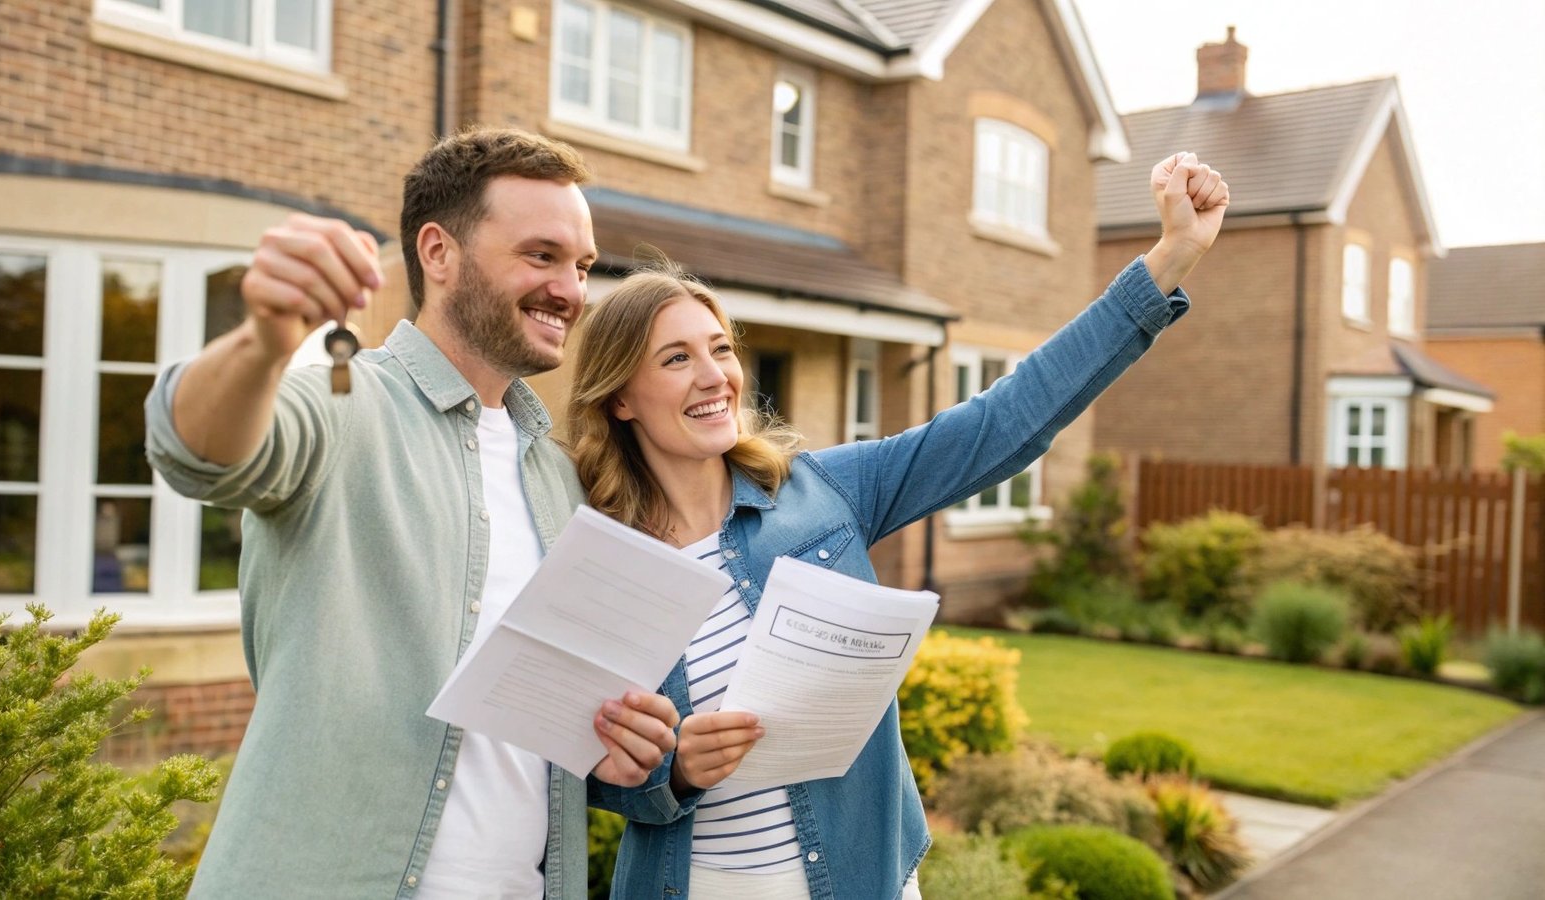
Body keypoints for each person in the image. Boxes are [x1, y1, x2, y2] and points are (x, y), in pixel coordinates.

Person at [568, 152, 1230, 899]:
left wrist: (1171, 256)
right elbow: (576, 763)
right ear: (620, 397)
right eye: (676, 359)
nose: (714, 375)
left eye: (720, 349)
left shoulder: (824, 492)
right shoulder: (599, 561)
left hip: (863, 880)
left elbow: (1008, 419)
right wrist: (673, 770)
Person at [144, 127, 683, 898]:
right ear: (439, 253)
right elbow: (198, 450)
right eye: (541, 256)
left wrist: (616, 748)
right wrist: (265, 340)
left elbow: (532, 738)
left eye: (583, 265)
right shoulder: (344, 400)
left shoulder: (558, 479)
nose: (571, 289)